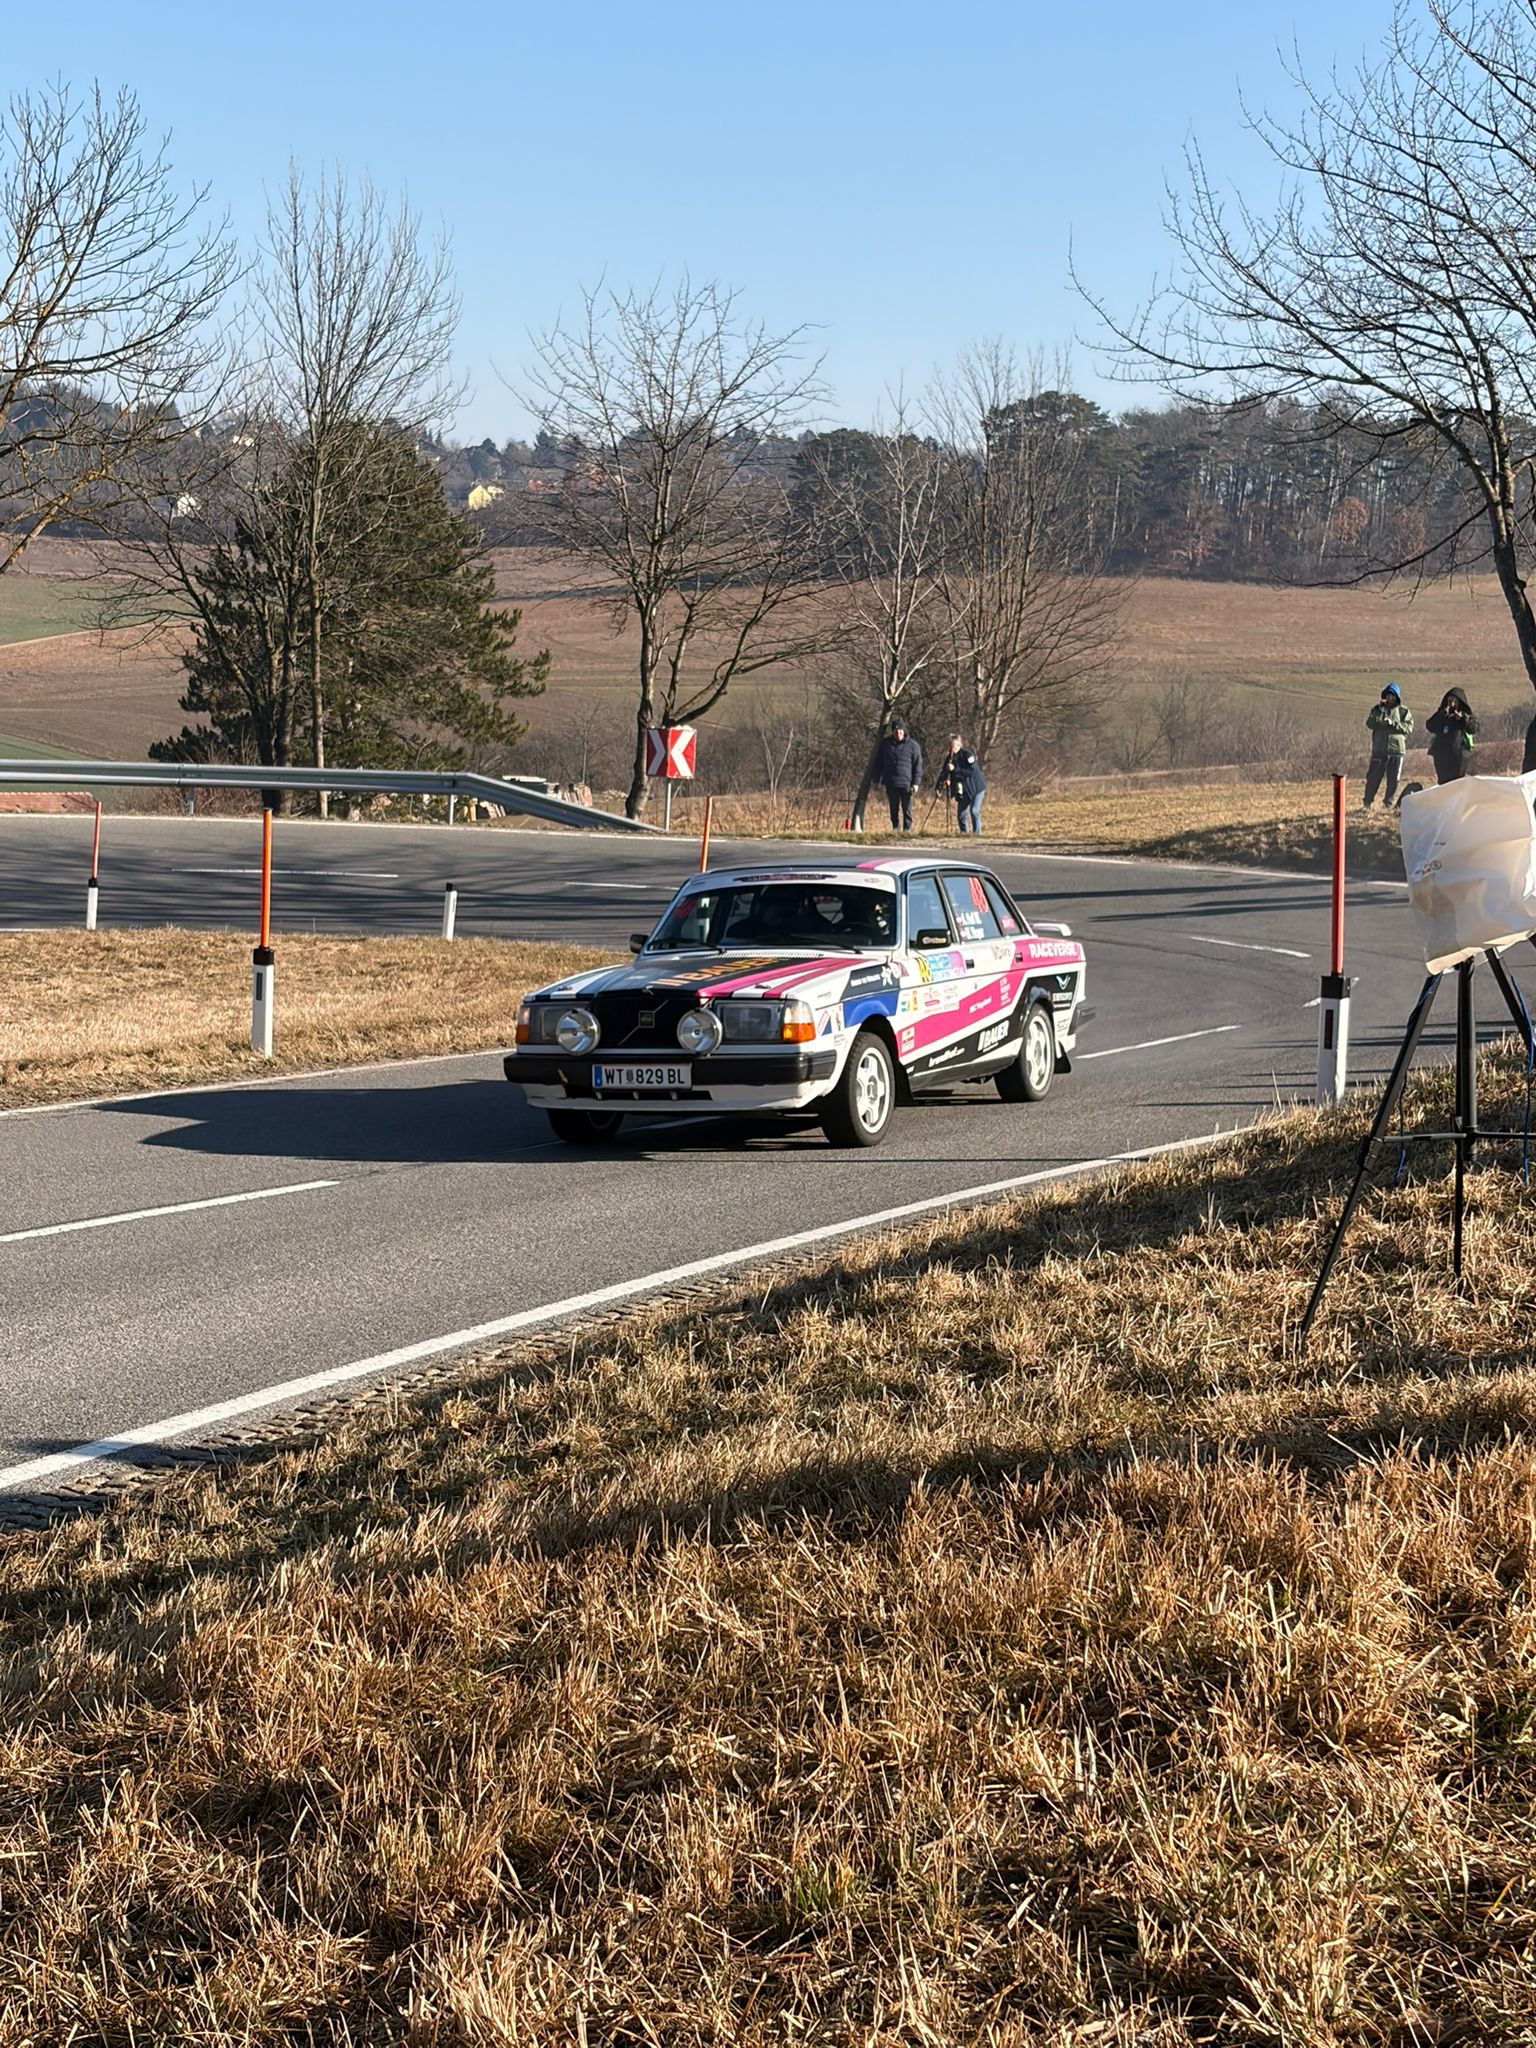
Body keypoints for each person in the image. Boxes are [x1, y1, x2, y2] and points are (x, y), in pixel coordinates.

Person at [1363, 683, 1413, 808]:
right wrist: (1380, 716)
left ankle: (1388, 803)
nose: (1390, 698)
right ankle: (1367, 802)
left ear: (1397, 697)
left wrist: (1393, 723)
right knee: (1373, 778)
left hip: (1396, 750)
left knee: (1393, 779)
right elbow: (1369, 723)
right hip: (1379, 750)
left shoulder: (1403, 711)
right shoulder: (1377, 709)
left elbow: (1408, 728)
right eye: (1388, 696)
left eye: (1393, 696)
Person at [876, 720, 924, 832]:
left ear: (904, 731)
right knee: (893, 809)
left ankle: (907, 830)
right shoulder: (885, 744)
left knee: (907, 809)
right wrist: (876, 779)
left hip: (907, 783)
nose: (898, 734)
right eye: (896, 731)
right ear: (892, 732)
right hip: (891, 782)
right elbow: (879, 763)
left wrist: (916, 783)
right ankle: (895, 828)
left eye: (900, 731)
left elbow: (918, 766)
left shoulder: (913, 746)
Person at [937, 732, 987, 834]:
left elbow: (971, 771)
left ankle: (977, 835)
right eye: (949, 745)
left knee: (974, 811)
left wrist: (955, 769)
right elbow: (944, 773)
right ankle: (964, 834)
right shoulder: (949, 759)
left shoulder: (968, 755)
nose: (951, 748)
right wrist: (938, 787)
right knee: (961, 816)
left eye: (953, 745)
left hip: (976, 789)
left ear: (959, 745)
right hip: (963, 791)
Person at [1426, 689, 1479, 785]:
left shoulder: (1465, 715)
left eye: (1455, 701)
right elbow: (1430, 726)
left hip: (1459, 756)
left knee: (1457, 784)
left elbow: (1474, 729)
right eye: (1450, 701)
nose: (1452, 704)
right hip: (1441, 756)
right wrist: (1441, 714)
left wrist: (1463, 719)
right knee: (1443, 784)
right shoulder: (1443, 714)